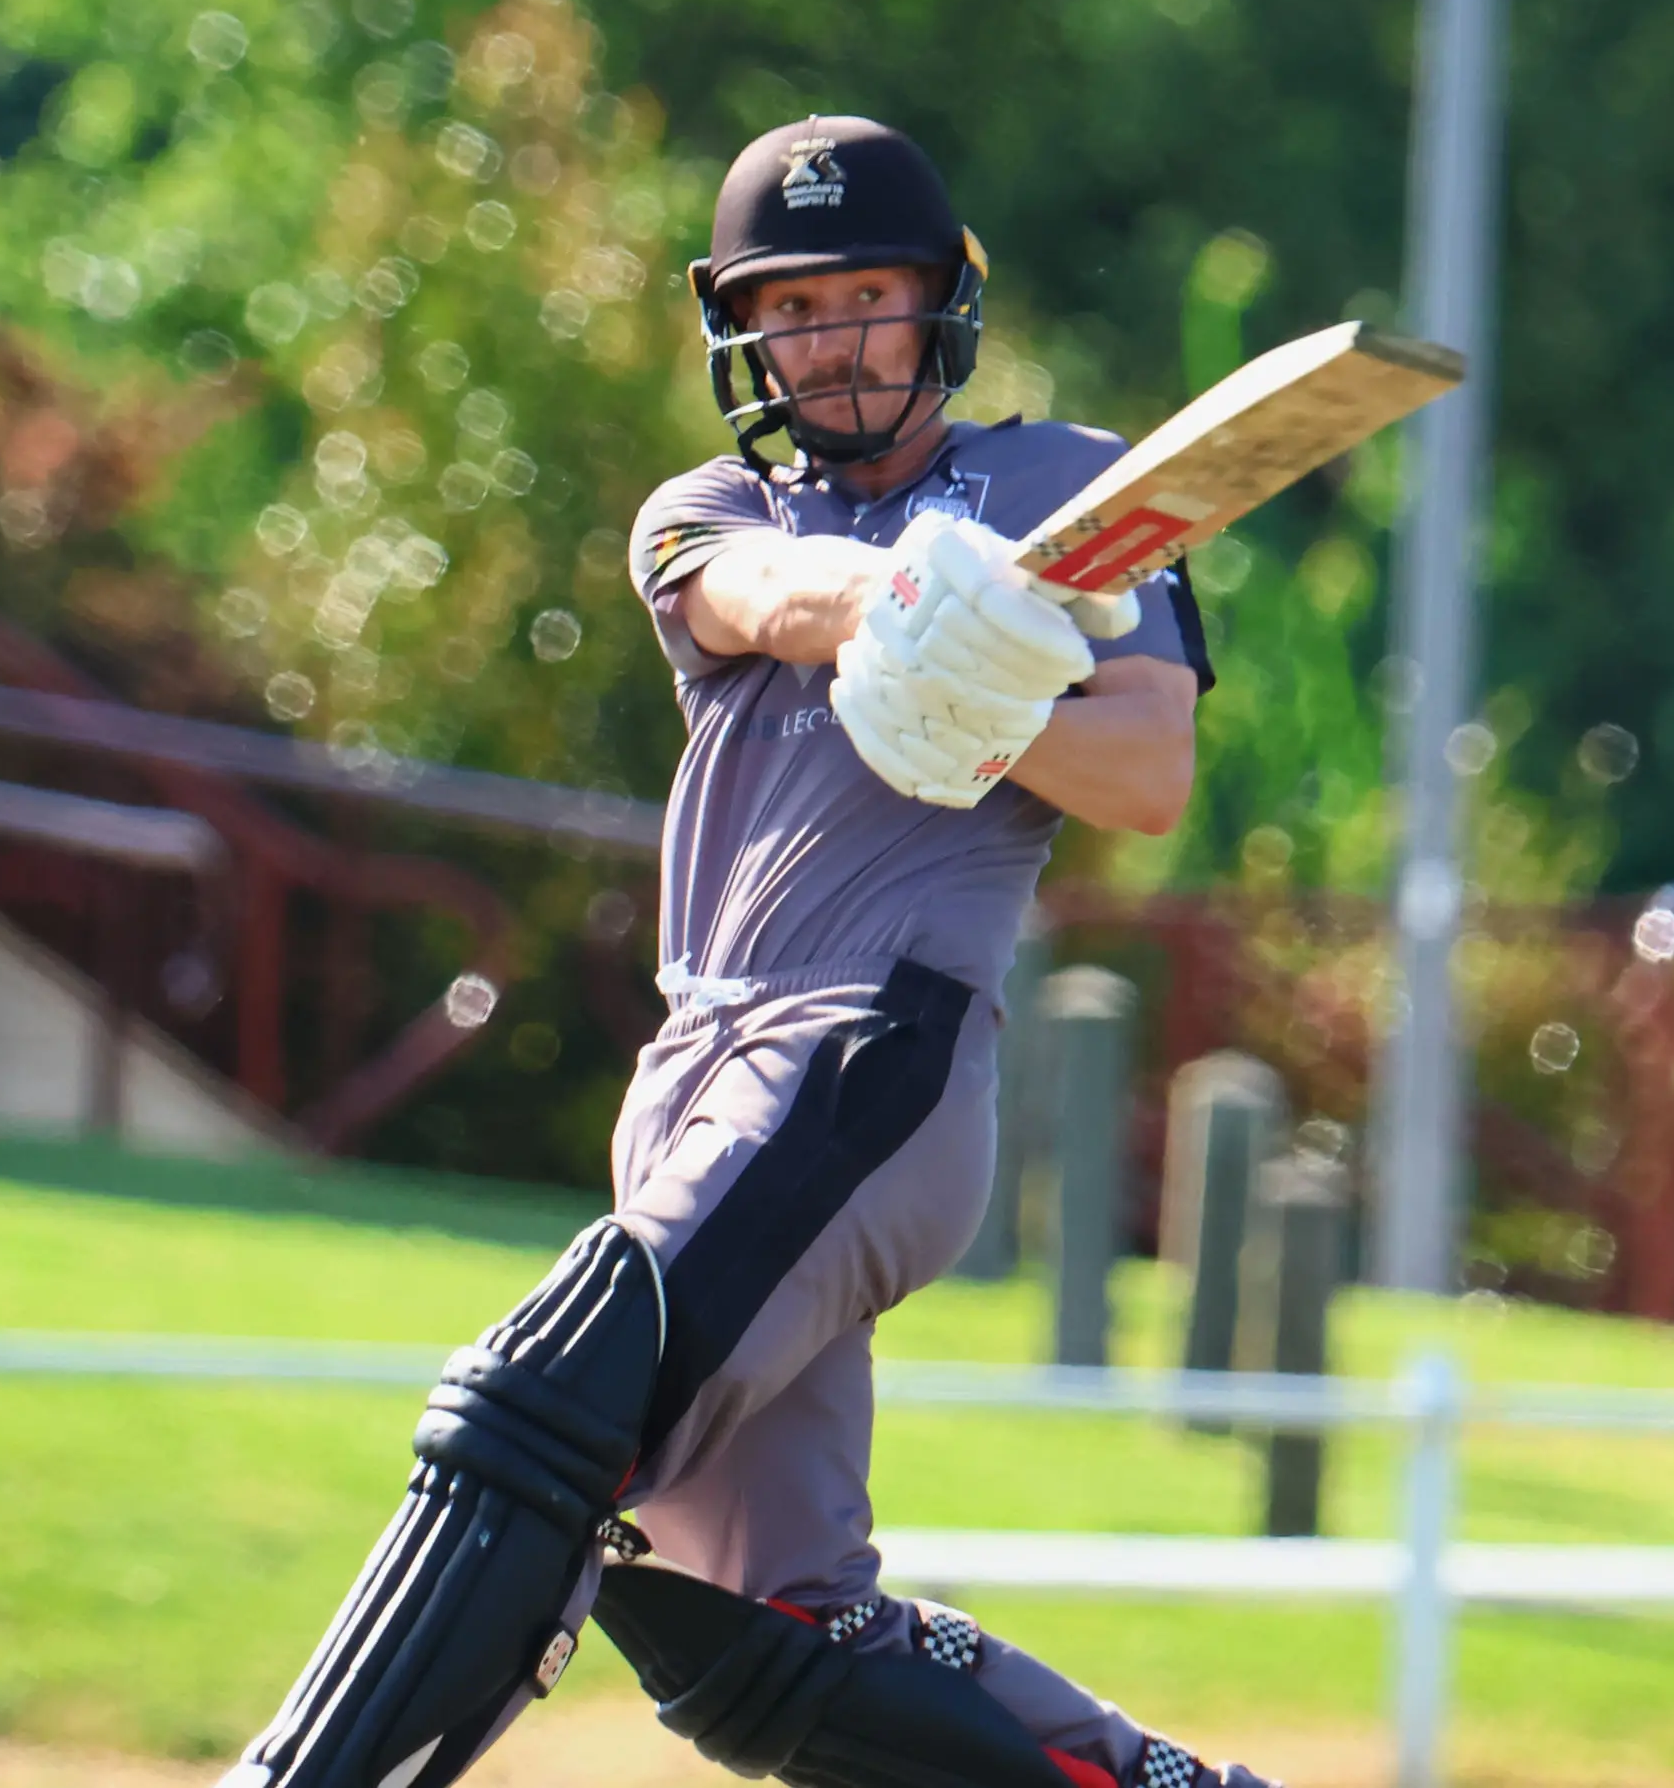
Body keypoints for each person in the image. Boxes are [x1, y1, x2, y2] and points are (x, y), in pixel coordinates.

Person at [223, 115, 1276, 1788]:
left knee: (544, 1409)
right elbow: (755, 594)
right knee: (766, 1639)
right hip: (696, 1074)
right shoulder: (702, 505)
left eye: (868, 293)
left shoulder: (1064, 487)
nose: (834, 336)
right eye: (793, 306)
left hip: (870, 1056)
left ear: (942, 302)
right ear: (739, 326)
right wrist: (896, 611)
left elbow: (1145, 775)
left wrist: (992, 694)